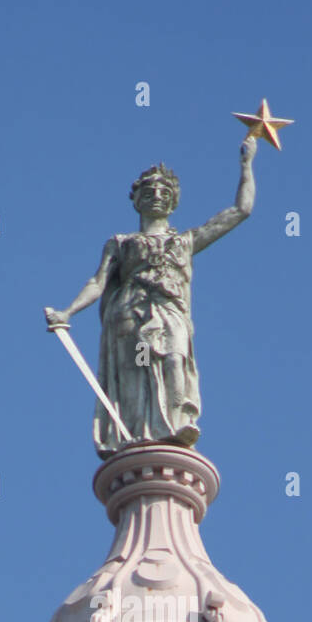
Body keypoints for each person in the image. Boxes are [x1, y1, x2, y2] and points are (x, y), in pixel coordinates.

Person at [45, 137, 257, 456]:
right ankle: (137, 431)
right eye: (149, 192)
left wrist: (246, 165)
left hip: (168, 311)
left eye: (163, 192)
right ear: (137, 201)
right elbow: (98, 281)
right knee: (137, 369)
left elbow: (241, 211)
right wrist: (68, 312)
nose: (156, 195)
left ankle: (175, 425)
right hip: (131, 313)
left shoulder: (185, 241)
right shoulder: (121, 243)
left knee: (174, 359)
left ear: (173, 201)